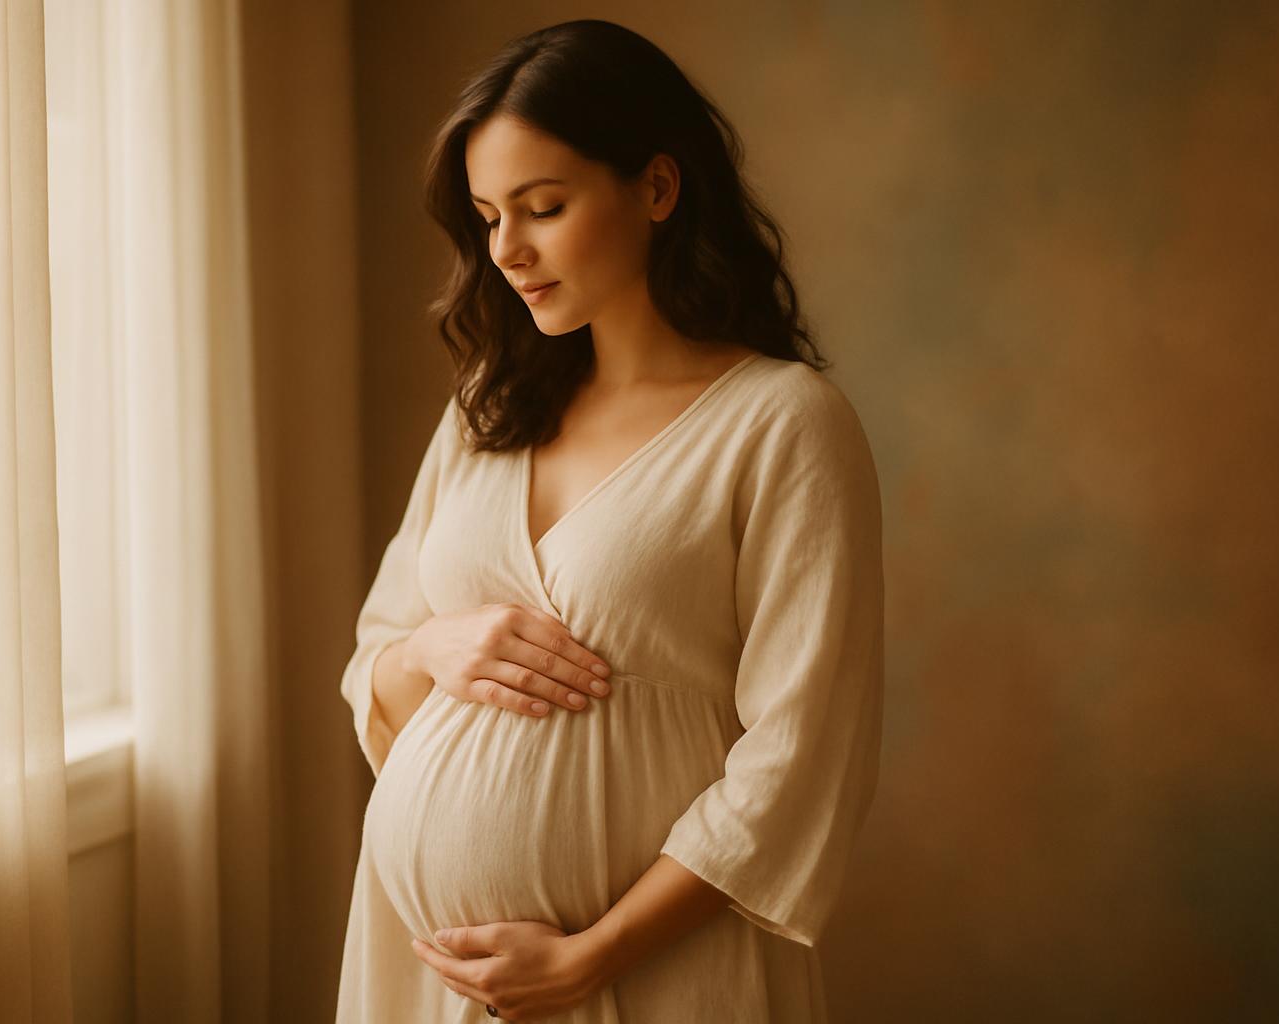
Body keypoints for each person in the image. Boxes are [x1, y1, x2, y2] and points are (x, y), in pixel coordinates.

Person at [334, 19, 884, 1023]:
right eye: (488, 215)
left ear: (658, 190)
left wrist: (589, 955)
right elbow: (375, 658)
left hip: (657, 972)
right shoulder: (487, 410)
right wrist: (436, 646)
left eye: (542, 207)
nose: (507, 250)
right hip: (430, 977)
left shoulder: (782, 424)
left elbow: (802, 759)